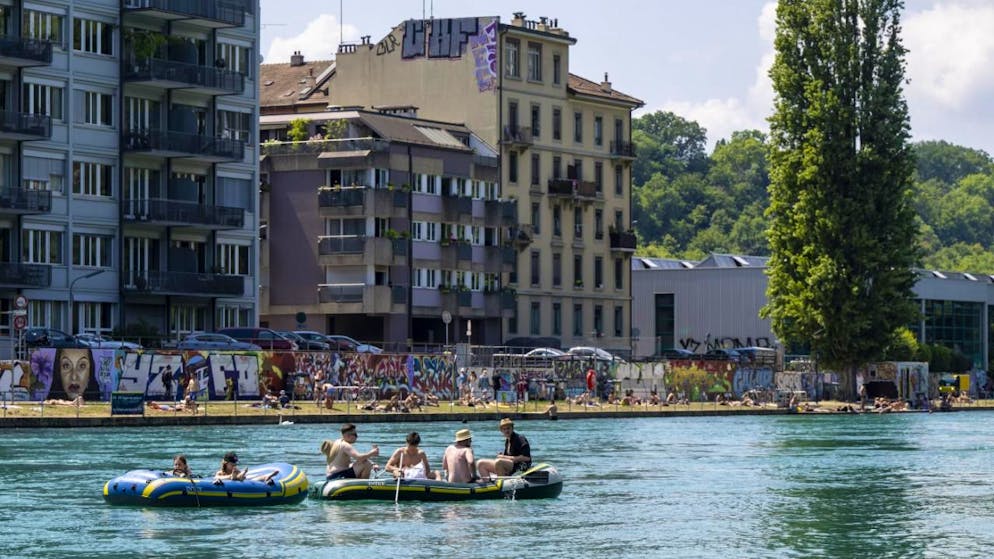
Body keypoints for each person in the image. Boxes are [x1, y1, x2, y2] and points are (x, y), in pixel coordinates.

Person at [213, 452, 278, 484]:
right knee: (235, 477)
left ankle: (265, 477)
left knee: (251, 479)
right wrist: (231, 476)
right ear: (226, 463)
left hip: (239, 479)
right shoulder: (221, 472)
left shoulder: (236, 470)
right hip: (229, 479)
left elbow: (244, 479)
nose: (234, 465)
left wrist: (242, 474)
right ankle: (232, 477)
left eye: (235, 464)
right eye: (232, 464)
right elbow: (216, 477)